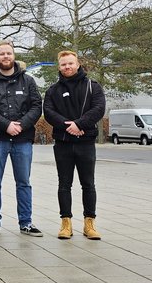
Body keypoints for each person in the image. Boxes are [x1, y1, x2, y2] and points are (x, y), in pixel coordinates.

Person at [0, 41, 44, 237]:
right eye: (2, 54)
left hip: (22, 140)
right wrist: (6, 125)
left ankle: (26, 222)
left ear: (14, 55)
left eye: (8, 53)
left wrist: (21, 125)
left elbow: (36, 106)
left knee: (23, 182)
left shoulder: (28, 81)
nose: (5, 57)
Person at [42, 50, 106, 240]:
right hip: (63, 143)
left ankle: (89, 223)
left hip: (86, 142)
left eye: (70, 63)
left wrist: (79, 124)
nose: (67, 67)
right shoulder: (53, 90)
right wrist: (68, 126)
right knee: (64, 184)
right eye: (63, 64)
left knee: (88, 184)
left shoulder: (92, 86)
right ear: (59, 67)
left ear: (78, 64)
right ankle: (66, 223)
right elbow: (49, 112)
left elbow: (98, 109)